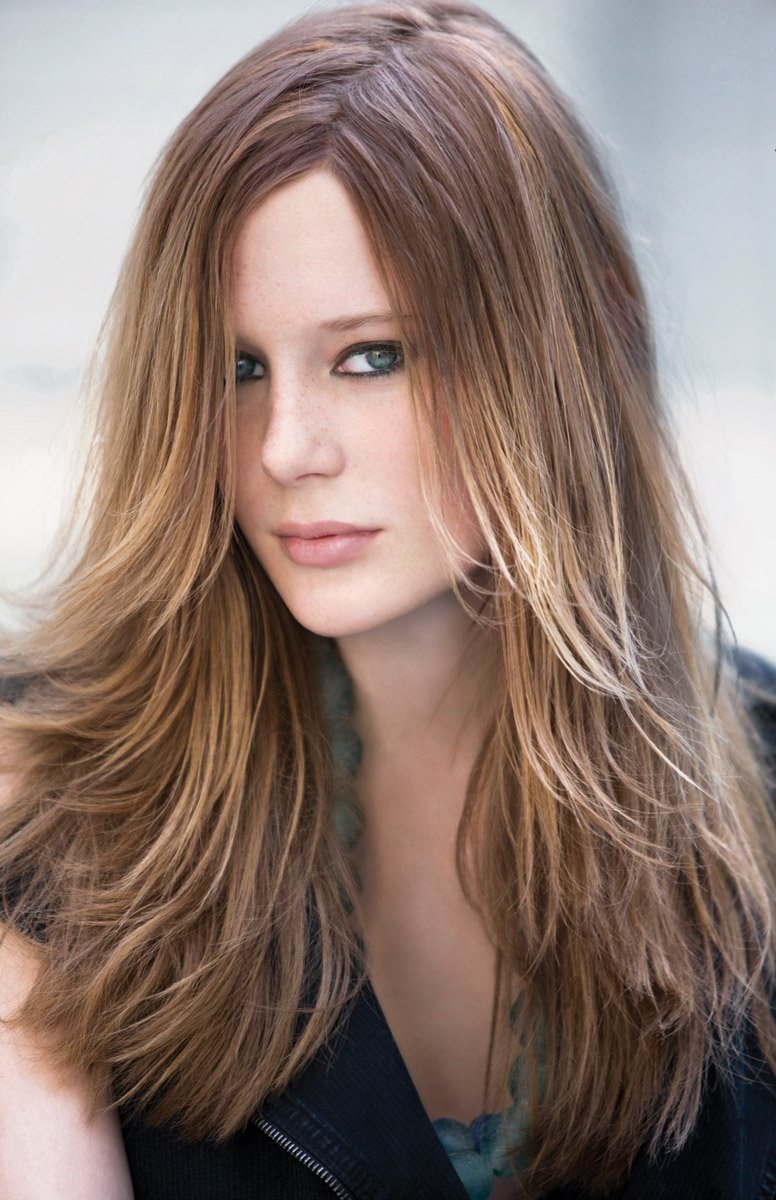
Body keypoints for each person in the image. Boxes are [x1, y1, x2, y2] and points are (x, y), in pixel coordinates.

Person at [1, 2, 775, 1198]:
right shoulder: (48, 804)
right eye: (235, 367)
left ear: (583, 334)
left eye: (371, 356)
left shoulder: (756, 817)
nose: (284, 448)